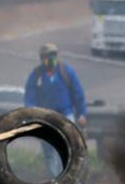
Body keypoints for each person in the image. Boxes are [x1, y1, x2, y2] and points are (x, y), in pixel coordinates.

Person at [23, 43, 87, 176]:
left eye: (53, 55)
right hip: (45, 118)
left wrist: (82, 114)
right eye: (48, 56)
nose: (51, 59)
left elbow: (78, 94)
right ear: (42, 58)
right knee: (50, 152)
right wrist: (31, 115)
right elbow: (30, 97)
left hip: (65, 116)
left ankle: (66, 177)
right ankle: (55, 180)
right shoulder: (36, 75)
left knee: (66, 148)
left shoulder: (66, 72)